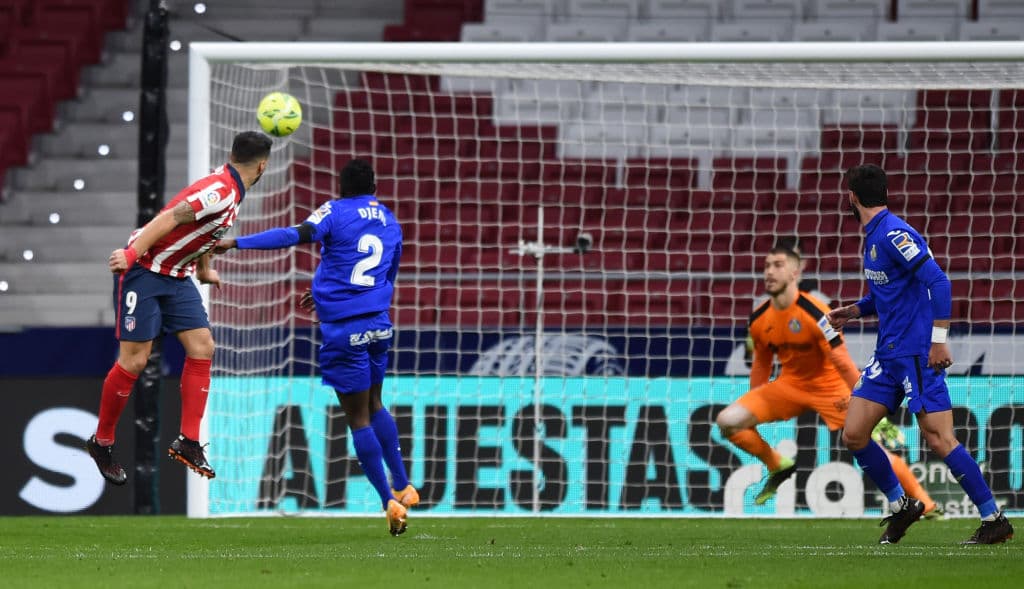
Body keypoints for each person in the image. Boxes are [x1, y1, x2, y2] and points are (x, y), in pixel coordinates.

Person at [214, 158, 418, 536]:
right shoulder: (390, 220)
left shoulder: (335, 212)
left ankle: (386, 500)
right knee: (377, 405)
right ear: (373, 187)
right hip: (379, 325)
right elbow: (386, 274)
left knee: (358, 418)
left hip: (344, 332)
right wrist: (327, 295)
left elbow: (295, 235)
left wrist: (236, 242)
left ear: (341, 187)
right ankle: (405, 485)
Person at [827, 163, 1013, 545]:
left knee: (940, 439)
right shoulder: (873, 235)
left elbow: (938, 280)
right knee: (855, 433)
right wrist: (855, 311)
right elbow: (888, 293)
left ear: (851, 196)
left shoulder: (895, 233)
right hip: (888, 355)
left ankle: (994, 518)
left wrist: (938, 340)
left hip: (915, 353)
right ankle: (901, 506)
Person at [85, 131, 274, 486]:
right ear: (263, 166)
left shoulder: (232, 187)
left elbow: (204, 232)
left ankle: (188, 441)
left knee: (203, 347)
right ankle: (102, 442)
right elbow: (171, 217)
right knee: (135, 361)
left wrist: (203, 271)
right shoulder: (221, 190)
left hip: (177, 275)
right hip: (145, 269)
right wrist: (130, 254)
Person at [717, 245, 937, 516]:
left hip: (829, 386)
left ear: (795, 272)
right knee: (728, 421)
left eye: (777, 265)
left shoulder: (815, 312)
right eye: (766, 266)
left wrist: (869, 404)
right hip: (789, 386)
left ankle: (925, 505)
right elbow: (761, 363)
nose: (769, 272)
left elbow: (842, 361)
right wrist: (755, 402)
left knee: (871, 446)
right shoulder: (759, 318)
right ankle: (778, 464)